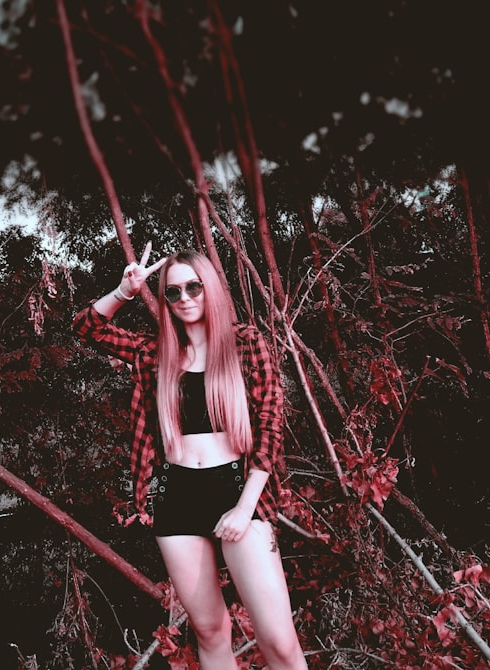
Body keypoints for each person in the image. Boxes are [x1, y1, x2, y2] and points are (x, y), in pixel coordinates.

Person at [72, 243, 308, 670]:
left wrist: (245, 507)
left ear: (211, 289)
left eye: (194, 288)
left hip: (238, 491)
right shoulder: (154, 353)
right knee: (210, 631)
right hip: (175, 495)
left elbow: (271, 426)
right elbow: (87, 327)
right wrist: (126, 290)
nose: (185, 299)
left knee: (279, 641)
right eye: (173, 293)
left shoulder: (246, 343)